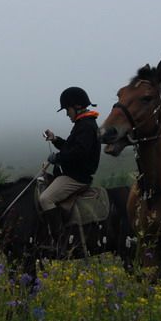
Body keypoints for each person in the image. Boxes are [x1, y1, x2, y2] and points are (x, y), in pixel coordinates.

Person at [40, 87, 101, 242]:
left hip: (76, 178)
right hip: (73, 174)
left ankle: (59, 239)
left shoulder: (86, 126)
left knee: (45, 199)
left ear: (77, 106)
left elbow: (79, 153)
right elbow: (71, 147)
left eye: (67, 109)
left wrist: (57, 158)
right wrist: (55, 139)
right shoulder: (83, 124)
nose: (67, 114)